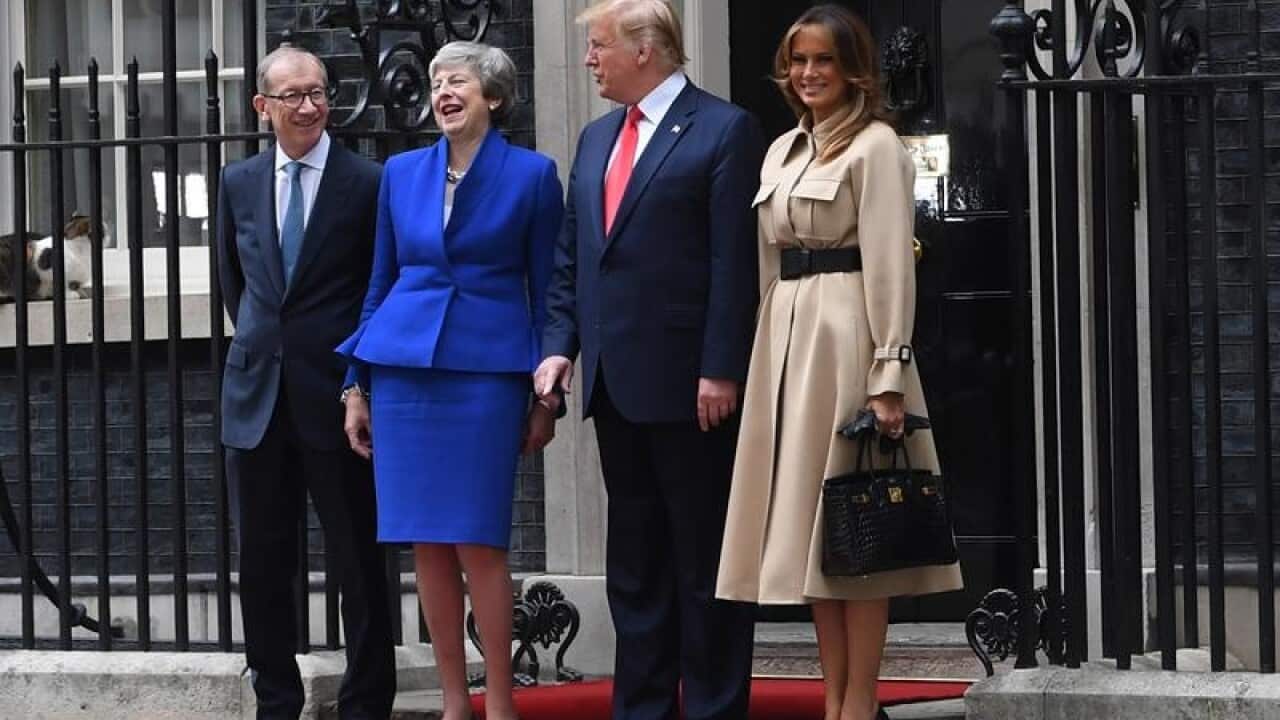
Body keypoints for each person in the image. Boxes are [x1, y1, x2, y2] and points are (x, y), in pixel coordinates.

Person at [713, 6, 964, 720]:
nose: (808, 73)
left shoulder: (878, 147)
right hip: (787, 343)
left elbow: (891, 265)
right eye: (799, 60)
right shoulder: (781, 151)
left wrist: (888, 374)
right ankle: (833, 702)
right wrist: (760, 359)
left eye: (823, 59)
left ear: (853, 70)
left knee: (858, 536)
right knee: (811, 541)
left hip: (848, 339)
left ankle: (859, 703)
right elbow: (767, 262)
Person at [533, 1, 765, 718]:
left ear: (644, 49)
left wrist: (720, 367)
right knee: (635, 566)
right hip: (615, 384)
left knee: (703, 563)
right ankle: (642, 708)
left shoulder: (724, 128)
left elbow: (733, 263)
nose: (589, 60)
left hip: (693, 387)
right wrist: (559, 348)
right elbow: (574, 257)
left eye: (599, 46)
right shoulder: (597, 137)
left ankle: (714, 706)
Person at [337, 41, 563, 720]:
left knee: (479, 540)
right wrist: (355, 385)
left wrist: (547, 397)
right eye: (436, 82)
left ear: (492, 95)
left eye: (456, 80)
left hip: (486, 375)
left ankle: (500, 703)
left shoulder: (532, 176)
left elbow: (549, 290)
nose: (442, 92)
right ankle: (453, 704)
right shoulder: (401, 173)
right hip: (403, 373)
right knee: (427, 546)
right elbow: (380, 282)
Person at [216, 45, 395, 720]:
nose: (309, 106)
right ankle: (275, 700)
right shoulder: (238, 182)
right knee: (262, 564)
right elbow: (238, 286)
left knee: (360, 561)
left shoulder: (367, 182)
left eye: (317, 92)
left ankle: (366, 702)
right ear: (262, 106)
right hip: (256, 398)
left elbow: (380, 286)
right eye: (292, 95)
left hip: (339, 399)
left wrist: (358, 381)